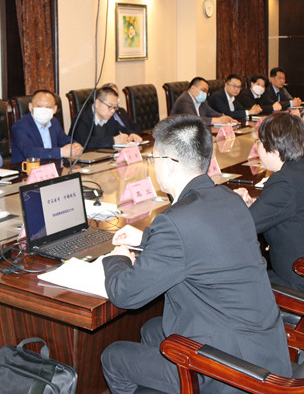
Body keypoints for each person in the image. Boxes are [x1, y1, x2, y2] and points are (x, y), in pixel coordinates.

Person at [100, 116, 291, 394]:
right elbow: (201, 242)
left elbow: (125, 294)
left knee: (114, 355)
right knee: (152, 329)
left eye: (153, 159)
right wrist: (145, 238)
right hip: (264, 350)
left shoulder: (175, 222)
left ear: (168, 164)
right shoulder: (230, 199)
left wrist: (117, 258)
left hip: (227, 372)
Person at [234, 113, 304, 300]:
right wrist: (251, 205)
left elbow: (243, 227)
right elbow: (282, 210)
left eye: (259, 142)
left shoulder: (285, 181)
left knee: (232, 284)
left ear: (275, 151)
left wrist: (234, 207)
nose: (257, 148)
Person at [10, 90, 83, 164]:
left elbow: (64, 140)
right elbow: (30, 152)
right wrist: (61, 152)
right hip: (27, 169)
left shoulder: (54, 122)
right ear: (30, 107)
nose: (44, 110)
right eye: (39, 106)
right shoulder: (19, 127)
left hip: (53, 167)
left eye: (48, 107)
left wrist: (75, 146)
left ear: (54, 109)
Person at [72, 86, 143, 148]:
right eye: (110, 106)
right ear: (97, 103)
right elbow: (83, 141)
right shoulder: (82, 118)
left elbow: (122, 129)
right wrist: (112, 140)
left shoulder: (110, 117)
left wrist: (131, 135)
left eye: (115, 107)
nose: (112, 111)